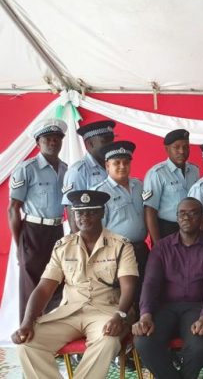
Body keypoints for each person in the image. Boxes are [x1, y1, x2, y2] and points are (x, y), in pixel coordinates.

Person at [12, 190, 138, 379]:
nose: (84, 217)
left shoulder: (121, 245)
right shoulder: (63, 246)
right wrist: (27, 322)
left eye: (91, 212)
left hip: (106, 313)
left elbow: (129, 287)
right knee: (27, 344)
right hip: (69, 312)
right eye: (79, 213)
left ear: (102, 213)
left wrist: (119, 316)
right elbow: (44, 288)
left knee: (108, 342)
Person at [133, 198, 203, 379]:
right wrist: (145, 314)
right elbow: (150, 283)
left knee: (201, 345)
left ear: (202, 218)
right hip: (165, 309)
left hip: (198, 308)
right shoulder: (161, 247)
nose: (187, 217)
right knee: (143, 341)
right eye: (182, 213)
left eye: (193, 213)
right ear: (176, 218)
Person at [9, 118, 68, 321]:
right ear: (38, 143)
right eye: (47, 139)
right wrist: (20, 245)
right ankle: (29, 334)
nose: (53, 142)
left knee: (57, 283)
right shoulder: (27, 169)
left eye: (57, 139)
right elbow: (13, 209)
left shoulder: (65, 169)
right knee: (32, 285)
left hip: (57, 231)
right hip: (33, 231)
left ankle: (53, 339)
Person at [92, 141, 148, 289]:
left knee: (143, 292)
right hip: (117, 253)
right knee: (121, 295)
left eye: (126, 162)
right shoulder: (100, 193)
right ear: (107, 166)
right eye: (117, 163)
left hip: (140, 249)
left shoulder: (139, 186)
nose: (122, 166)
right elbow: (96, 231)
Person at [143, 129, 200, 242]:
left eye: (186, 147)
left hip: (192, 229)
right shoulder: (157, 173)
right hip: (168, 230)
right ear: (167, 149)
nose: (182, 151)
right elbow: (150, 211)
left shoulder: (194, 170)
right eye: (176, 147)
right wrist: (157, 244)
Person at [61, 120, 115, 232]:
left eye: (112, 140)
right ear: (90, 144)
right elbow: (72, 210)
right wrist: (81, 244)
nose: (111, 145)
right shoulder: (78, 171)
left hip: (112, 235)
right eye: (105, 141)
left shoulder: (114, 166)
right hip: (91, 236)